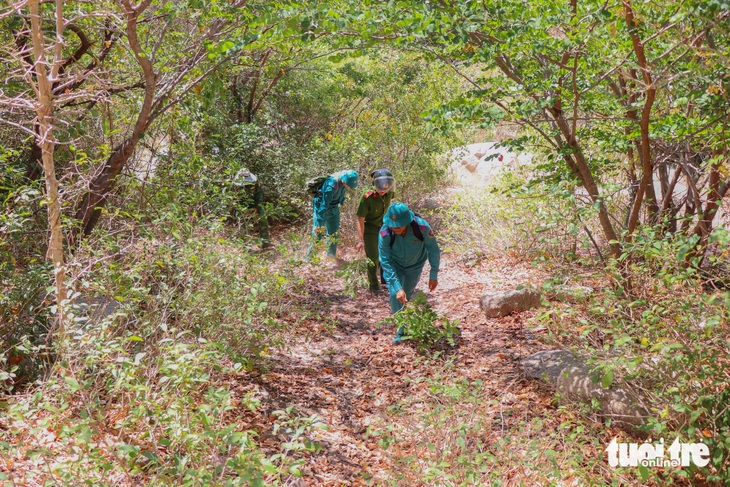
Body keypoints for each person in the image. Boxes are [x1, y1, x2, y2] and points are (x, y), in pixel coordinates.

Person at [378, 202, 441, 343]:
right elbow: (385, 261)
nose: (395, 229)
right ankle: (402, 331)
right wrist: (396, 286)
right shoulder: (385, 233)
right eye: (392, 226)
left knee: (407, 291)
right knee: (396, 294)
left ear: (407, 222)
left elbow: (433, 249)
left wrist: (433, 274)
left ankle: (409, 320)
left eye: (398, 226)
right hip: (395, 265)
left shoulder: (422, 227)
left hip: (415, 265)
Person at [356, 169, 395, 292]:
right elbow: (360, 218)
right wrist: (360, 239)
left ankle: (385, 281)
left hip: (384, 227)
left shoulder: (389, 193)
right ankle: (373, 285)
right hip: (370, 230)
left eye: (386, 186)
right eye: (380, 187)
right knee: (373, 258)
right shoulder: (367, 196)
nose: (383, 190)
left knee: (387, 255)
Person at [308, 169, 359, 258]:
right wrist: (319, 222)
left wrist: (341, 203)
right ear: (344, 179)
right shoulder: (331, 185)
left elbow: (342, 194)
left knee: (334, 233)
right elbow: (324, 204)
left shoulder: (344, 181)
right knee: (317, 233)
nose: (347, 186)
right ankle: (311, 259)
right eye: (347, 184)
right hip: (322, 208)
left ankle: (330, 256)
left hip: (334, 207)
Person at [233, 168, 270, 248]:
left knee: (262, 217)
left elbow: (259, 194)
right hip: (241, 205)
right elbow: (234, 198)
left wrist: (258, 206)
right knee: (241, 220)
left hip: (254, 203)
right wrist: (242, 209)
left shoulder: (255, 182)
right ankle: (244, 244)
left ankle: (265, 241)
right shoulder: (235, 184)